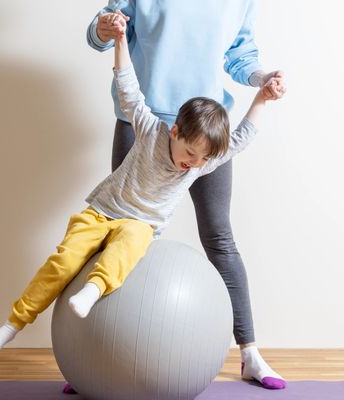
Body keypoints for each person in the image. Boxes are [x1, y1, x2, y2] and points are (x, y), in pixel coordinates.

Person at [0, 13, 282, 384]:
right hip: (126, 170)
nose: (191, 167)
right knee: (77, 255)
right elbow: (120, 70)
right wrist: (114, 35)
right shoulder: (149, 129)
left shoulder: (202, 163)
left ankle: (249, 353)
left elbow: (243, 125)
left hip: (205, 136)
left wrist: (263, 91)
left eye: (198, 163)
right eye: (189, 158)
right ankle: (64, 347)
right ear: (172, 134)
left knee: (201, 240)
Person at [87, 1, 287, 390]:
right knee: (119, 234)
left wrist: (262, 78)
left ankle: (249, 353)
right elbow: (98, 35)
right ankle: (92, 355)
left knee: (219, 237)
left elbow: (241, 56)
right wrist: (105, 27)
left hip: (206, 133)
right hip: (142, 121)